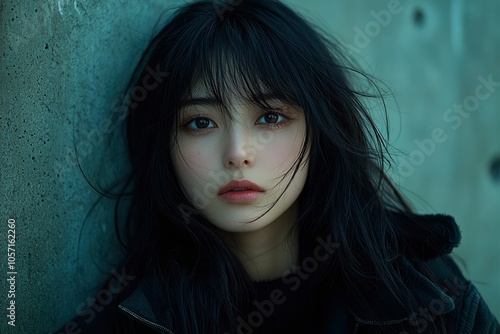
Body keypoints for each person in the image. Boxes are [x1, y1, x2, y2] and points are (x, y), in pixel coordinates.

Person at [58, 0, 499, 333]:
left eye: (270, 116)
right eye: (199, 122)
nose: (237, 152)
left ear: (319, 128)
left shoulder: (422, 294)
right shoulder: (132, 318)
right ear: (164, 147)